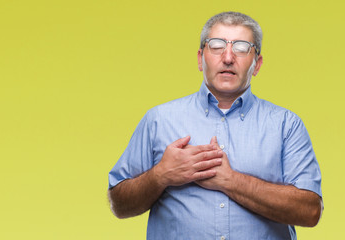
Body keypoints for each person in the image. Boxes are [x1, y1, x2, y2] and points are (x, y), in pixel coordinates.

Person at [108, 11, 323, 240]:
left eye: (241, 47)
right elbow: (119, 205)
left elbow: (310, 211)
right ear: (200, 59)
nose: (228, 57)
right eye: (217, 45)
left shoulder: (286, 125)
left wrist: (231, 181)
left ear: (257, 64)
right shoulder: (158, 120)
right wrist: (161, 175)